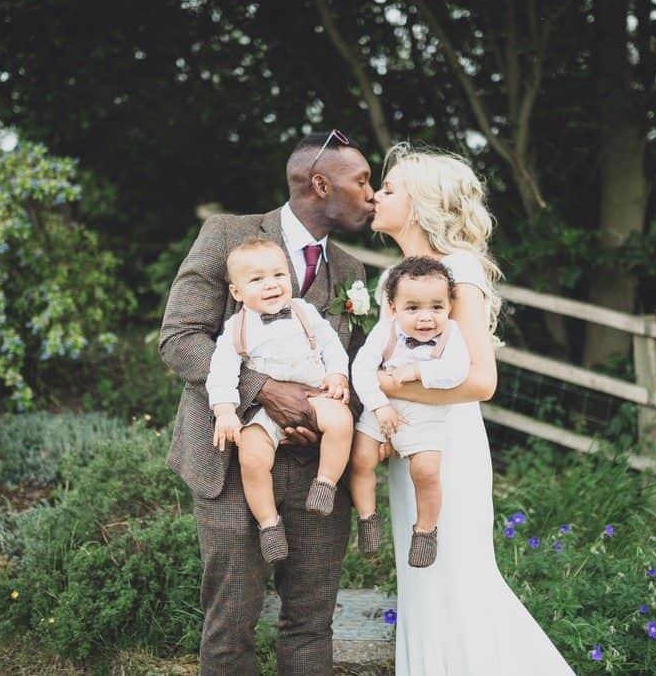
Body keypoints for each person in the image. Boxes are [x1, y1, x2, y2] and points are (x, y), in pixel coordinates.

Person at [159, 130, 373, 675]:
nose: (372, 194)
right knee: (230, 625)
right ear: (321, 184)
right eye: (363, 181)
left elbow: (353, 367)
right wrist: (264, 394)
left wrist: (331, 420)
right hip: (231, 461)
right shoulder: (226, 235)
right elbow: (180, 339)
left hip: (317, 472)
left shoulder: (352, 271)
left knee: (310, 623)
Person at [370, 143, 575, 675]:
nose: (374, 195)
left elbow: (481, 380)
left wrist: (384, 385)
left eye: (388, 189)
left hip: (450, 450)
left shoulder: (457, 269)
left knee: (457, 583)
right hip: (411, 447)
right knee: (423, 589)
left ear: (418, 205)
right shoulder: (403, 275)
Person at [206, 239, 355, 564]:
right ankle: (268, 524)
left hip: (314, 395)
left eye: (278, 275)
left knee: (342, 421)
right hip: (265, 411)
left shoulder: (305, 311)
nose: (271, 284)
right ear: (237, 293)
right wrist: (226, 410)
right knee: (251, 455)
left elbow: (331, 345)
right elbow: (221, 371)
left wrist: (337, 375)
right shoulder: (237, 328)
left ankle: (325, 483)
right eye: (256, 279)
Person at [349, 256, 470, 568]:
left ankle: (425, 530)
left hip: (425, 412)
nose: (425, 318)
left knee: (426, 471)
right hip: (381, 407)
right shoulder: (385, 331)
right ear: (393, 307)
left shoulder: (451, 335)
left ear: (449, 307)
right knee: (361, 459)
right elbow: (361, 369)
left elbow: (457, 371)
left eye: (436, 308)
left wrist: (416, 370)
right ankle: (367, 518)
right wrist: (379, 405)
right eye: (413, 308)